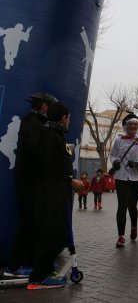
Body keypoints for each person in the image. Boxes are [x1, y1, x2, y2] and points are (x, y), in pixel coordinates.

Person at [27, 101, 84, 289]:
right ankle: (40, 276)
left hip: (50, 192)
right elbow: (52, 167)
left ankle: (45, 268)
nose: (69, 121)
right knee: (50, 231)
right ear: (64, 118)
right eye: (69, 118)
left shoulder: (50, 134)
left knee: (50, 230)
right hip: (52, 193)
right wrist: (71, 180)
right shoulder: (52, 136)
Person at [4, 92, 57, 279]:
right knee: (28, 221)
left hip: (33, 179)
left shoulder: (35, 123)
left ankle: (29, 261)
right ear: (44, 106)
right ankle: (15, 266)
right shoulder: (33, 123)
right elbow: (37, 151)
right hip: (29, 179)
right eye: (51, 106)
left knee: (34, 221)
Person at [109, 113, 138, 248]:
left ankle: (134, 226)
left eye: (135, 124)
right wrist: (115, 162)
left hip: (136, 177)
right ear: (126, 126)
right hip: (121, 176)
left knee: (131, 205)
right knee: (122, 205)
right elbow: (113, 155)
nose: (132, 126)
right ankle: (120, 236)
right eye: (130, 124)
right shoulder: (118, 140)